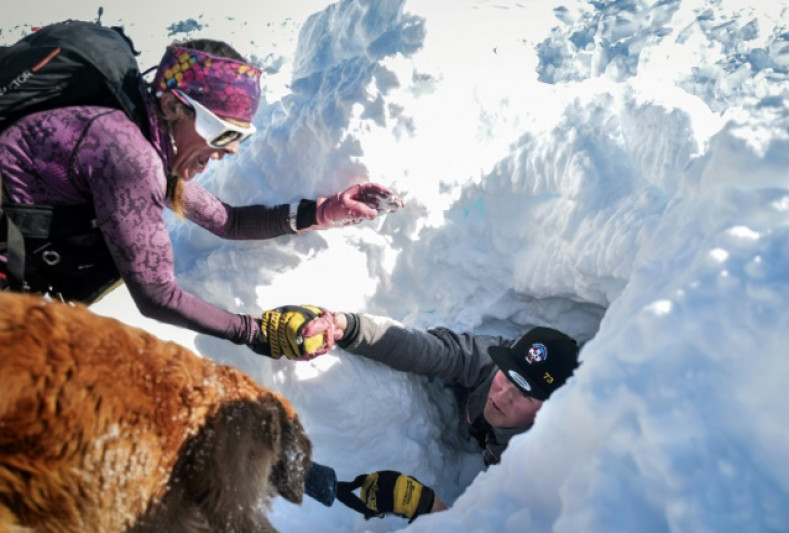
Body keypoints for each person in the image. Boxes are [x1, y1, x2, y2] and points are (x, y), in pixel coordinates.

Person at [0, 39, 400, 360]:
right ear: (174, 105)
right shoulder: (128, 156)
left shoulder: (143, 136)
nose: (230, 151)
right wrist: (257, 334)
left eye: (239, 138)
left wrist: (325, 210)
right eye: (222, 132)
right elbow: (157, 296)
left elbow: (229, 221)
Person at [300, 308, 581, 521]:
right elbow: (429, 350)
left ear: (552, 407)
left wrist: (430, 508)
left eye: (524, 392)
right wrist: (347, 327)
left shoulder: (544, 464)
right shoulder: (491, 365)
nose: (503, 394)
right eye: (506, 375)